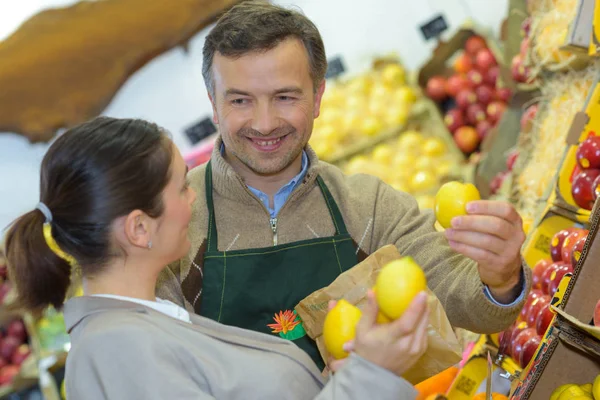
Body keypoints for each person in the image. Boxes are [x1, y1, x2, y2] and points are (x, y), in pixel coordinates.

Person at [156, 0, 532, 371]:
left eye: (285, 97)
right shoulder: (174, 220)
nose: (265, 122)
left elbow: (457, 292)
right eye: (240, 100)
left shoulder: (367, 207)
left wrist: (500, 278)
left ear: (318, 97)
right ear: (213, 104)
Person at [4, 117, 428, 400]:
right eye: (179, 188)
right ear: (139, 228)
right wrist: (371, 375)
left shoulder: (150, 321)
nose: (193, 196)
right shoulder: (119, 352)